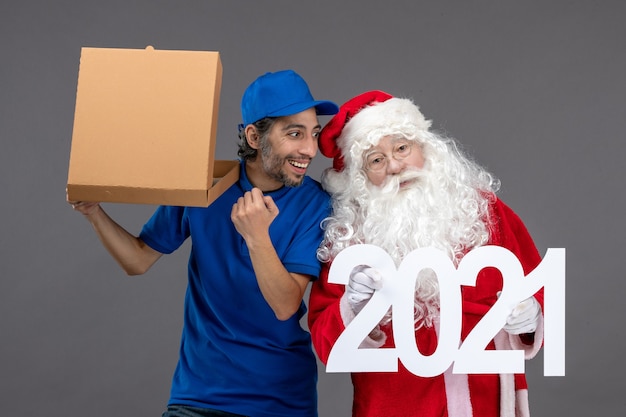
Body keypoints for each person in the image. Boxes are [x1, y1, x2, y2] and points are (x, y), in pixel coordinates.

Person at [69, 70, 338, 417]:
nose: (310, 149)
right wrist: (94, 213)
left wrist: (256, 236)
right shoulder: (204, 188)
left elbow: (286, 305)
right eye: (294, 134)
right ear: (255, 137)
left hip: (282, 400)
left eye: (314, 133)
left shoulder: (316, 204)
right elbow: (137, 261)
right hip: (199, 396)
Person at [307, 91, 544, 417]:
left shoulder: (483, 211)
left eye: (402, 148)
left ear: (426, 148)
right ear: (360, 179)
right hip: (395, 407)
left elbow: (535, 283)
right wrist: (353, 307)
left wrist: (531, 315)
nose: (394, 166)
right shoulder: (349, 240)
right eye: (376, 160)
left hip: (486, 402)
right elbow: (324, 341)